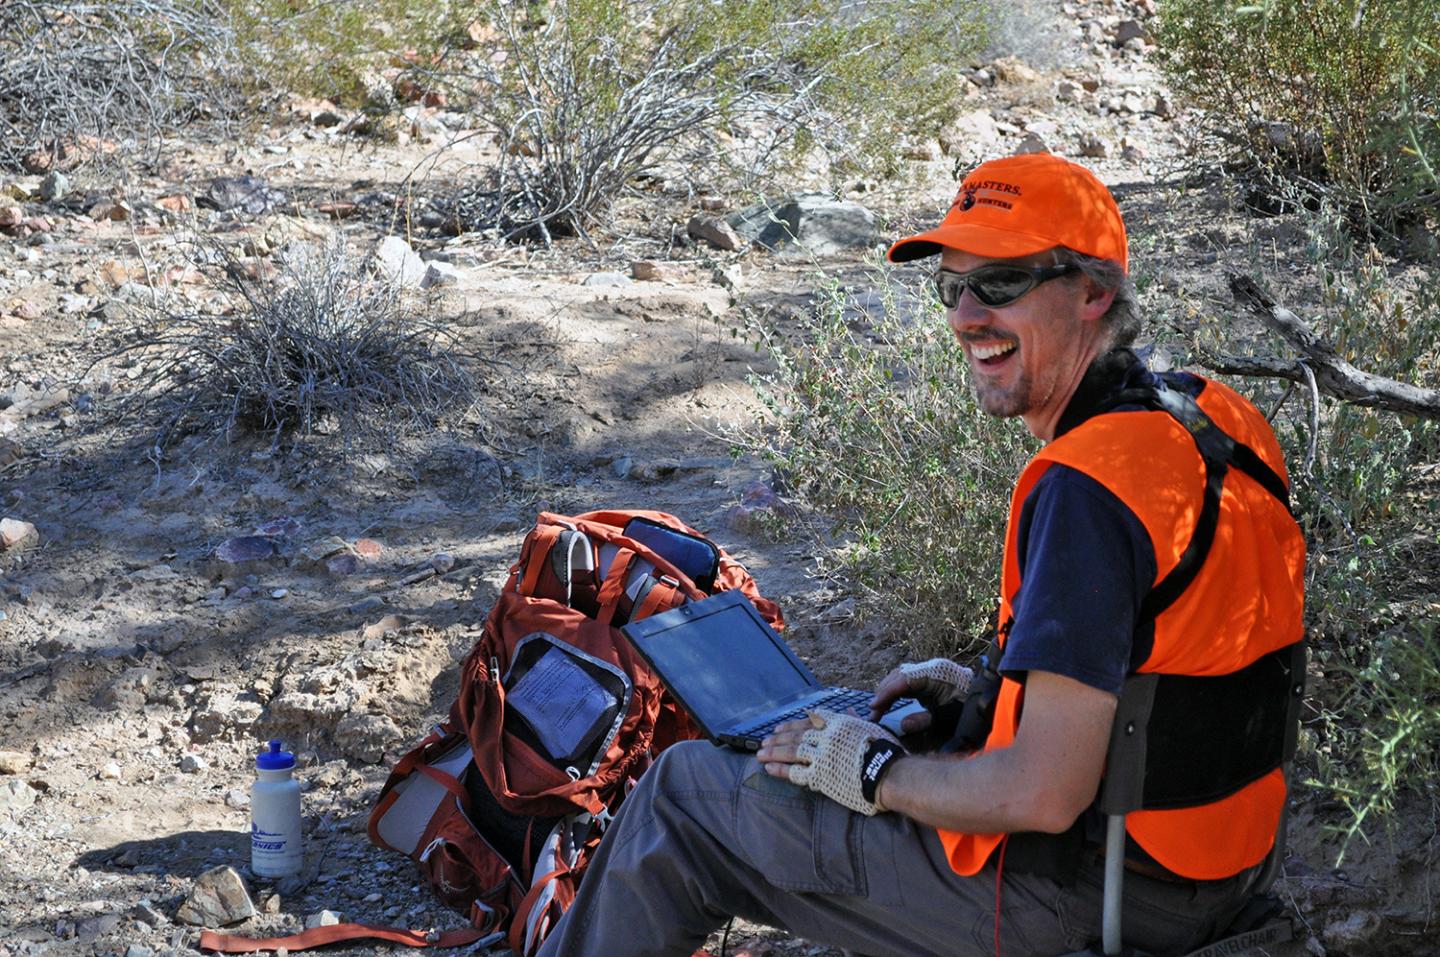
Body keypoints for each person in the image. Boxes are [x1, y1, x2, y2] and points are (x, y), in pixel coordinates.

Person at [534, 152, 1306, 957]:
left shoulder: (1088, 488)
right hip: (1214, 873)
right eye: (954, 285)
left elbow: (1042, 793)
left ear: (1093, 292)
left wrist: (876, 775)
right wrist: (988, 691)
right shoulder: (1217, 422)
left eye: (1002, 283)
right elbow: (1175, 676)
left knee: (684, 798)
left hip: (1086, 895)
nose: (966, 316)